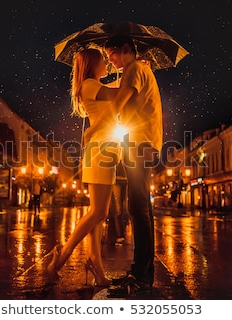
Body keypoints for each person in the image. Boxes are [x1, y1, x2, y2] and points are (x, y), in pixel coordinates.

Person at [47, 48, 119, 287]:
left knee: (98, 213)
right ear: (92, 64)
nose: (107, 63)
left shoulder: (94, 85)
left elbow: (114, 91)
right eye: (103, 60)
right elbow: (119, 95)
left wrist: (127, 70)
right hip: (100, 151)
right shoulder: (89, 84)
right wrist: (131, 71)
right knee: (99, 212)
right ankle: (61, 257)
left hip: (105, 150)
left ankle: (95, 264)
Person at [104, 35, 163, 297]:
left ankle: (141, 276)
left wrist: (99, 117)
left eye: (112, 54)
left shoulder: (135, 69)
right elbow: (123, 96)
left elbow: (119, 102)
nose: (110, 60)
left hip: (139, 142)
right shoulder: (139, 69)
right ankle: (142, 272)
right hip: (141, 141)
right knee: (140, 208)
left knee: (138, 207)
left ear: (126, 49)